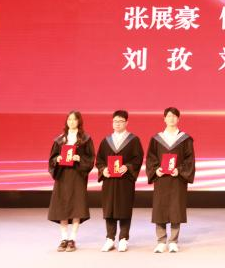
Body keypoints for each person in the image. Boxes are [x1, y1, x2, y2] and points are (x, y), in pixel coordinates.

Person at [146, 107, 195, 253]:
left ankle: (173, 241)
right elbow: (151, 158)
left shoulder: (185, 139)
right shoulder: (156, 139)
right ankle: (161, 241)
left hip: (177, 179)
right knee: (160, 209)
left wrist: (179, 170)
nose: (171, 118)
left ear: (178, 119)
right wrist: (156, 170)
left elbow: (189, 160)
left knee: (176, 208)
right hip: (161, 179)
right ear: (164, 119)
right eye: (168, 116)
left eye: (174, 116)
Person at [95, 110, 143, 253]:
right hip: (109, 180)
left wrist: (127, 167)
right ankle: (110, 238)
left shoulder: (133, 140)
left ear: (126, 123)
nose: (117, 124)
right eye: (115, 121)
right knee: (109, 208)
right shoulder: (106, 141)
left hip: (125, 180)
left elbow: (138, 159)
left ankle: (123, 238)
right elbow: (100, 160)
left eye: (121, 121)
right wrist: (103, 170)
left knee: (124, 208)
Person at [47, 110, 95, 252]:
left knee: (76, 207)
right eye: (69, 119)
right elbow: (52, 159)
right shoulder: (60, 139)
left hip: (77, 175)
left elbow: (91, 158)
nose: (71, 122)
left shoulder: (85, 139)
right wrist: (57, 159)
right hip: (62, 176)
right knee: (62, 206)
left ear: (79, 121)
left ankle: (72, 238)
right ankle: (64, 238)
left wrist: (80, 159)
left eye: (74, 119)